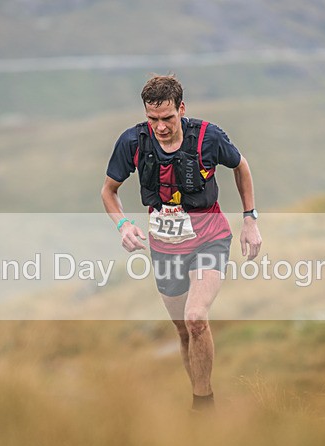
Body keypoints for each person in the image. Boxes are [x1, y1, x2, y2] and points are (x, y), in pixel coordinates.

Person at [101, 75, 262, 411]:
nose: (160, 127)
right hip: (165, 247)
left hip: (210, 239)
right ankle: (200, 395)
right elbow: (109, 192)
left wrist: (250, 218)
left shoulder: (208, 137)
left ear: (181, 109)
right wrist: (124, 225)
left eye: (168, 118)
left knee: (195, 318)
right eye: (153, 119)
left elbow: (240, 165)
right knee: (184, 332)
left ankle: (204, 408)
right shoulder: (133, 142)